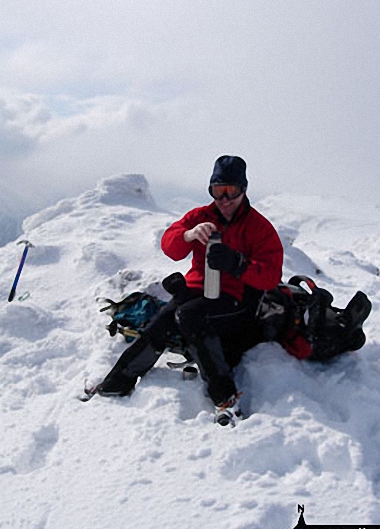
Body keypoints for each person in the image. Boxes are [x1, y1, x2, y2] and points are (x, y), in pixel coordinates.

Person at [97, 155, 284, 425]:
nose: (225, 199)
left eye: (231, 191)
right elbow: (169, 245)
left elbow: (270, 276)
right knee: (164, 318)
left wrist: (237, 264)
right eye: (218, 191)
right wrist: (188, 235)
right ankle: (119, 380)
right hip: (199, 288)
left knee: (188, 316)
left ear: (244, 189)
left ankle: (226, 396)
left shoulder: (258, 228)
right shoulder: (201, 217)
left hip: (238, 299)